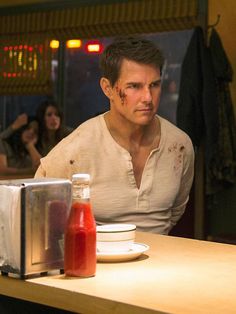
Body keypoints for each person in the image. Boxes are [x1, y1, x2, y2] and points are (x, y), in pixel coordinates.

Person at [35, 36, 194, 234]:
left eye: (154, 85)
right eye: (134, 86)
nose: (147, 97)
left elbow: (176, 211)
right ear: (108, 88)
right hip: (98, 262)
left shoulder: (179, 145)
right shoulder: (76, 149)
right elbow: (37, 212)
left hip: (162, 261)